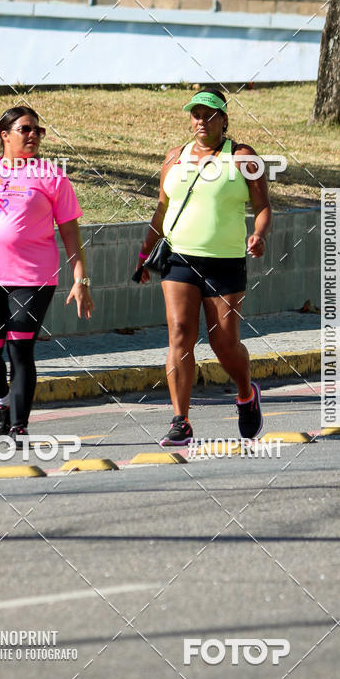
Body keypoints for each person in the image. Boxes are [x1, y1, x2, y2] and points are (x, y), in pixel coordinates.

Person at [0, 106, 93, 446]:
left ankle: (19, 426)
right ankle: (2, 402)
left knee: (20, 349)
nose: (34, 135)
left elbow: (70, 233)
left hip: (35, 278)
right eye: (25, 129)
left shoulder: (52, 176)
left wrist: (81, 279)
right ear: (5, 135)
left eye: (38, 130)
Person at [135, 88, 271, 446]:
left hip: (225, 261)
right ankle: (181, 420)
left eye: (209, 115)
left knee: (223, 343)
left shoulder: (242, 157)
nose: (201, 121)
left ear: (224, 119)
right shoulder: (174, 158)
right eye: (195, 114)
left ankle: (245, 392)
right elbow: (162, 210)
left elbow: (263, 208)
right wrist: (145, 252)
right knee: (180, 332)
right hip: (179, 258)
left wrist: (258, 235)